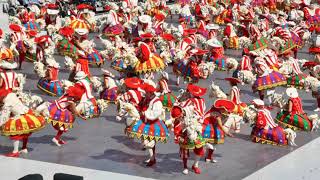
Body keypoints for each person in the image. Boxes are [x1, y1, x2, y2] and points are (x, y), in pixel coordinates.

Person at [0, 53, 45, 157]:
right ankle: (24, 147)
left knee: (12, 126)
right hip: (14, 97)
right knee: (25, 125)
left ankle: (15, 151)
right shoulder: (15, 74)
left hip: (6, 99)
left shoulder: (1, 75)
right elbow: (16, 86)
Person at [125, 83, 168, 167]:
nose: (145, 94)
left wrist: (145, 113)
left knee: (150, 141)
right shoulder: (146, 99)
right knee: (146, 139)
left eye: (147, 92)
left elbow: (156, 113)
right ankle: (152, 158)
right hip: (145, 121)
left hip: (153, 123)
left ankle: (152, 158)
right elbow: (140, 106)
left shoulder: (157, 102)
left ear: (151, 93)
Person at [170, 105, 206, 175]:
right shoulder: (177, 121)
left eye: (179, 117)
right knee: (185, 153)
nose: (178, 119)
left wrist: (198, 120)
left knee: (199, 149)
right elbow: (176, 131)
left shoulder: (191, 109)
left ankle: (195, 165)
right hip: (184, 136)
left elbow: (199, 114)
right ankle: (185, 167)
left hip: (195, 132)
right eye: (177, 118)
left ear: (182, 112)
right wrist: (179, 138)